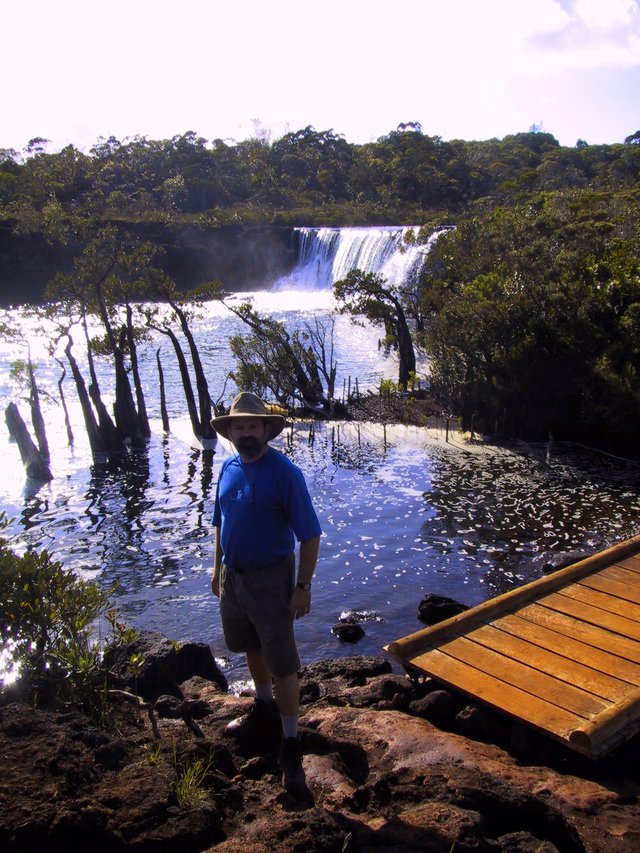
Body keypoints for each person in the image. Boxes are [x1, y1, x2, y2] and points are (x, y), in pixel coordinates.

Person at [210, 391, 321, 797]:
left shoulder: (285, 473)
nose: (246, 433)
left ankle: (291, 745)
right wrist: (216, 566)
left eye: (253, 426)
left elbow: (310, 536)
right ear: (232, 432)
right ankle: (262, 706)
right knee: (249, 645)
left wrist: (302, 587)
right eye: (239, 427)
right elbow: (220, 521)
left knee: (284, 661)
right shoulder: (227, 468)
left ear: (266, 430)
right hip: (233, 578)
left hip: (272, 579)